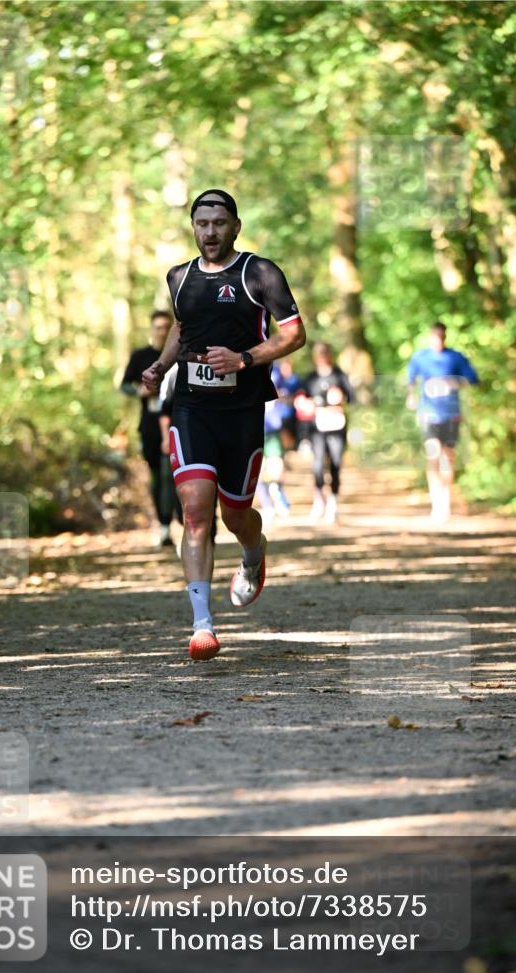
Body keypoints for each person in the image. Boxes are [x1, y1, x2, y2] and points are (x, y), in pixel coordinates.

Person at [142, 189, 306, 661]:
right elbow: (181, 326)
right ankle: (202, 625)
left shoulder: (259, 273)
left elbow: (294, 333)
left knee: (235, 515)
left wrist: (245, 358)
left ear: (235, 226)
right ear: (193, 228)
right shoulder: (179, 277)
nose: (210, 231)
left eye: (219, 223)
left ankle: (254, 552)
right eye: (202, 223)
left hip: (243, 411)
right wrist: (160, 366)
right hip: (191, 408)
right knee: (194, 509)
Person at [407, 321, 479, 521]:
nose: (437, 342)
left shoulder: (455, 358)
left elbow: (472, 379)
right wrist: (411, 396)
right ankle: (436, 502)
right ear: (430, 338)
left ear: (445, 338)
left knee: (448, 457)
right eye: (434, 338)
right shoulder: (420, 357)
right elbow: (410, 380)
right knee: (433, 454)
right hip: (428, 414)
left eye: (441, 338)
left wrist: (453, 382)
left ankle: (444, 497)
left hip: (450, 414)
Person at [121, 310, 178, 546]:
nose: (162, 331)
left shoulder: (179, 354)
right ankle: (163, 523)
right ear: (152, 329)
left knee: (169, 475)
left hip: (176, 422)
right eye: (158, 327)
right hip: (149, 425)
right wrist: (139, 391)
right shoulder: (141, 356)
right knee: (156, 476)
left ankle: (171, 523)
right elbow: (124, 385)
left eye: (167, 327)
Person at [300, 342, 353, 524]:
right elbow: (301, 399)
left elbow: (351, 397)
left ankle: (333, 502)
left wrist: (341, 397)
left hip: (337, 427)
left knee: (336, 464)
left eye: (325, 354)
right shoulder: (310, 378)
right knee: (318, 464)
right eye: (320, 354)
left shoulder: (339, 375)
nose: (323, 357)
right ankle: (319, 501)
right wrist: (306, 405)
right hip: (317, 428)